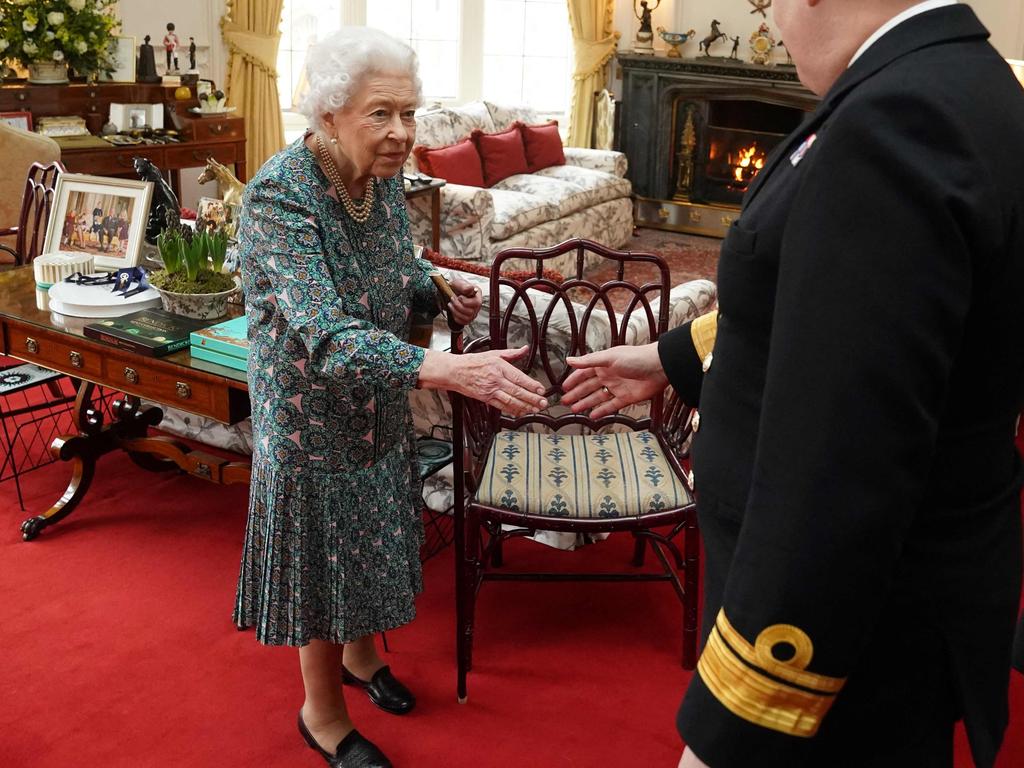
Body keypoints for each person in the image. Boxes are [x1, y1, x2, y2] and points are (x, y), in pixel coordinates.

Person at [562, 1, 1024, 766]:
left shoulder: (893, 120)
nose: (770, 17)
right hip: (916, 598)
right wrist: (672, 359)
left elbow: (838, 467)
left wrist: (741, 715)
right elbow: (834, 315)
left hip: (846, 642)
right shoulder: (969, 82)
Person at [232, 27, 547, 768]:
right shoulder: (280, 196)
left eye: (409, 112)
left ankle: (363, 658)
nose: (402, 132)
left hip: (379, 401)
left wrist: (437, 293)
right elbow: (325, 331)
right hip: (309, 419)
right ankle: (323, 713)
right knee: (325, 560)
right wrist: (446, 372)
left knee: (370, 536)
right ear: (329, 114)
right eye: (382, 114)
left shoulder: (378, 183)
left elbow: (393, 271)